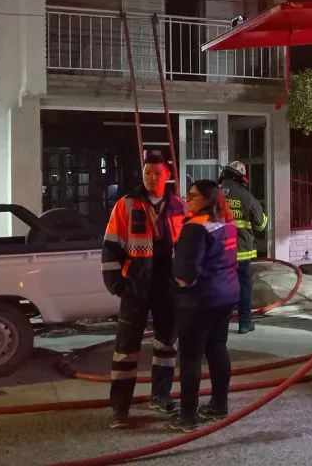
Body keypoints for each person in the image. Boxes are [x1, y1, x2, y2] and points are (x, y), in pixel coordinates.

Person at [101, 153, 187, 430]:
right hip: (135, 288)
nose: (152, 178)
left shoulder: (179, 207)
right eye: (148, 173)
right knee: (126, 350)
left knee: (166, 346)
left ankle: (161, 396)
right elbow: (110, 247)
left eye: (157, 173)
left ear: (168, 175)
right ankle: (120, 409)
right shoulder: (126, 205)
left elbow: (187, 249)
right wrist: (117, 284)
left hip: (167, 288)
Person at [168, 179, 240, 432]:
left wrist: (177, 280)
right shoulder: (226, 223)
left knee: (191, 356)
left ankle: (188, 416)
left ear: (207, 199)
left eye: (193, 196)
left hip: (199, 299)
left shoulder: (195, 228)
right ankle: (219, 405)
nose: (187, 200)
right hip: (226, 295)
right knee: (217, 348)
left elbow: (186, 272)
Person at [218, 161, 268, 334]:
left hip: (220, 252)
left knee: (222, 287)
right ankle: (245, 322)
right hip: (242, 252)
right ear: (241, 178)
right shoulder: (246, 197)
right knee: (244, 287)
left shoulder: (214, 195)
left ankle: (220, 324)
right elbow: (261, 224)